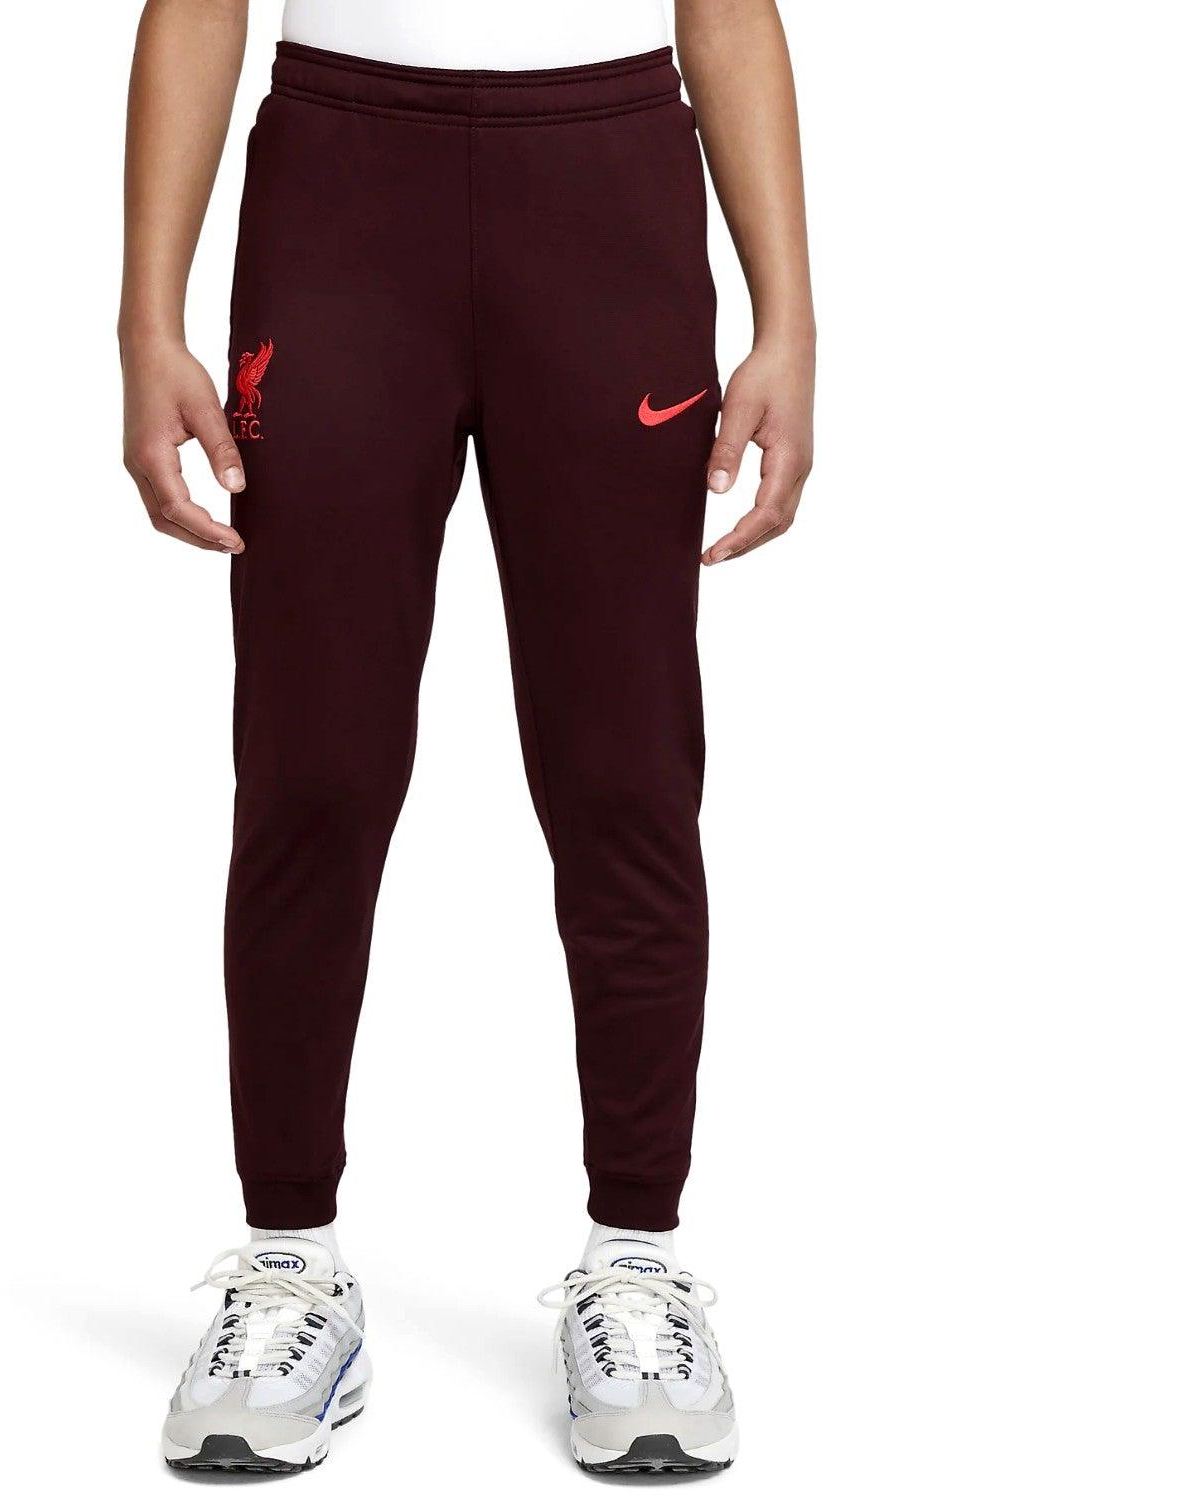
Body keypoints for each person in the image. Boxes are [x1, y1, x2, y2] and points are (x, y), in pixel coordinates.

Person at [120, 0, 813, 1475]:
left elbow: (728, 8)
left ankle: (637, 1261)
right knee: (312, 764)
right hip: (339, 189)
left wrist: (790, 321)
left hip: (607, 190)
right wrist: (145, 321)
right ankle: (289, 1263)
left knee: (624, 766)